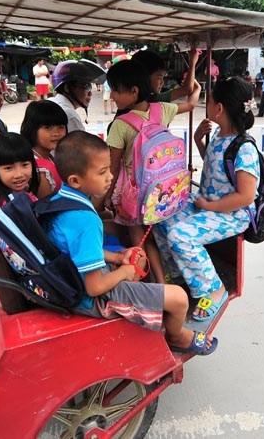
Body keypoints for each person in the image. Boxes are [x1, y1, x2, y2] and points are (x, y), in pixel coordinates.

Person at [44, 131, 217, 355]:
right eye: (102, 172)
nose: (110, 176)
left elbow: (75, 249)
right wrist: (124, 271)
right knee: (179, 299)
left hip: (70, 278)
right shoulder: (85, 220)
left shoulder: (61, 201)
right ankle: (177, 336)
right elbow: (94, 287)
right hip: (90, 298)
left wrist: (116, 257)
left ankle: (150, 308)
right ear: (76, 180)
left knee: (135, 262)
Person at [153, 77, 259, 323]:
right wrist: (199, 142)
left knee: (181, 235)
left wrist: (210, 206)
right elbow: (215, 164)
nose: (206, 105)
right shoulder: (219, 136)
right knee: (162, 215)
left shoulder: (244, 148)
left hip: (233, 213)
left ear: (219, 109)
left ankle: (212, 289)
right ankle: (180, 274)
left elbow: (245, 196)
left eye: (208, 102)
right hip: (208, 203)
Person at [104, 60, 202, 283]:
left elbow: (114, 165)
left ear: (134, 91)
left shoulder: (121, 124)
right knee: (156, 235)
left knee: (140, 241)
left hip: (134, 196)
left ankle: (147, 284)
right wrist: (196, 90)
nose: (112, 96)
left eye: (115, 91)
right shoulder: (162, 109)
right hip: (162, 191)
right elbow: (190, 105)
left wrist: (107, 197)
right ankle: (162, 279)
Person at [0, 133, 40, 225]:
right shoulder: (4, 210)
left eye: (25, 165)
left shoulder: (21, 195)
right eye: (9, 168)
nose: (19, 174)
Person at [20, 100, 68, 200]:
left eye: (61, 127)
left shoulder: (49, 156)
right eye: (47, 127)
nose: (56, 133)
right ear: (32, 129)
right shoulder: (40, 170)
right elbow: (45, 208)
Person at [48, 60, 103, 133]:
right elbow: (82, 143)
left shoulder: (51, 102)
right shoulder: (69, 116)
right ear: (67, 88)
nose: (90, 93)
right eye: (86, 86)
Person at [130, 48, 199, 104]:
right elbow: (187, 91)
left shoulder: (129, 98)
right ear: (144, 77)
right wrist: (192, 62)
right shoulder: (152, 99)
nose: (162, 82)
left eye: (163, 77)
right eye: (159, 77)